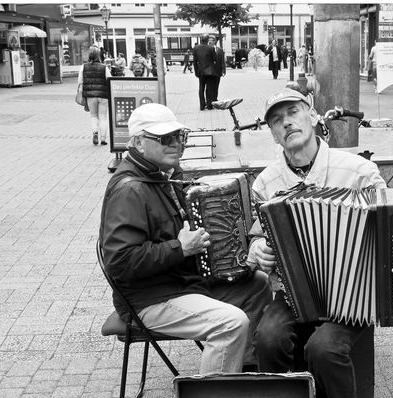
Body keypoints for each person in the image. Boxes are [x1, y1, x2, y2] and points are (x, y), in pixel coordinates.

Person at [248, 89, 393, 398]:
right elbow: (257, 233)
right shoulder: (266, 182)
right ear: (273, 134)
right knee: (267, 337)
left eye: (294, 112)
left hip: (355, 290)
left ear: (314, 117)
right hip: (296, 291)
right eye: (277, 120)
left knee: (325, 346)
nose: (287, 122)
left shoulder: (357, 170)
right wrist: (258, 248)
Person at [99, 103, 271, 375]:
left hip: (178, 283)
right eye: (165, 139)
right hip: (149, 298)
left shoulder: (163, 175)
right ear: (139, 143)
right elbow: (120, 263)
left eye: (179, 137)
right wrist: (181, 248)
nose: (175, 145)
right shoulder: (130, 191)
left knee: (257, 284)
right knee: (230, 323)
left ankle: (242, 371)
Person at [78, 46, 109, 146]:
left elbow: (80, 82)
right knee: (103, 117)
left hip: (90, 95)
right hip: (103, 95)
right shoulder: (104, 67)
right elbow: (110, 80)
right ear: (98, 55)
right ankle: (103, 139)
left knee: (93, 115)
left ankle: (95, 132)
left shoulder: (83, 67)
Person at [192, 35, 221, 110]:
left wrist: (196, 72)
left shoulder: (196, 48)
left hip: (200, 71)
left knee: (201, 88)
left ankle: (202, 105)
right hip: (209, 72)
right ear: (207, 40)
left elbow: (194, 61)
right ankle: (209, 105)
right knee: (209, 89)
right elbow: (215, 58)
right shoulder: (210, 48)